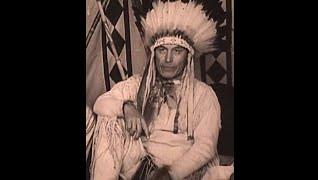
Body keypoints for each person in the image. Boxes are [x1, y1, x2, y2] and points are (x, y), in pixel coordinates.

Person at [89, 0, 230, 179]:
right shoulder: (139, 84)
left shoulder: (203, 94)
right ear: (153, 53)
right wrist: (126, 107)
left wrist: (170, 174)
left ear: (188, 57)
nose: (168, 59)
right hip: (143, 166)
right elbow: (100, 104)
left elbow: (206, 147)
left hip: (183, 172)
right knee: (109, 121)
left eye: (177, 51)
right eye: (162, 50)